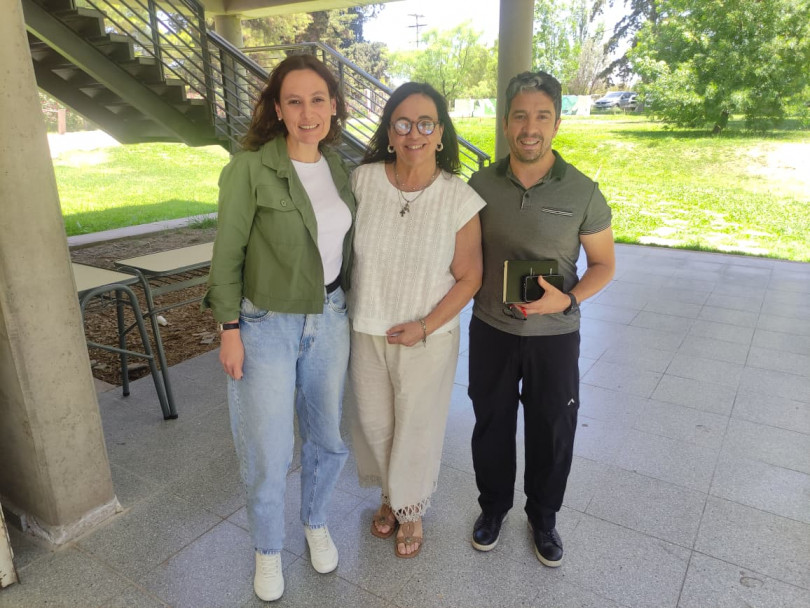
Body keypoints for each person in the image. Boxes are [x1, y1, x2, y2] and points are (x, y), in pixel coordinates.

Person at [202, 54, 355, 602]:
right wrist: (228, 327)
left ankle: (315, 521)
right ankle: (268, 550)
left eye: (318, 99)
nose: (307, 112)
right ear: (276, 107)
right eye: (294, 100)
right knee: (267, 450)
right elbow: (227, 253)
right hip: (265, 324)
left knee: (327, 437)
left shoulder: (338, 167)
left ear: (334, 107)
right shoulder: (248, 168)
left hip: (331, 318)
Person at [467, 71, 615, 567]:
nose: (530, 127)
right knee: (491, 423)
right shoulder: (481, 184)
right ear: (506, 123)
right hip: (491, 328)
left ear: (556, 122)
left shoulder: (583, 191)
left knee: (553, 426)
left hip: (555, 337)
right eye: (520, 116)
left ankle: (544, 517)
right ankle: (493, 509)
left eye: (542, 117)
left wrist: (568, 301)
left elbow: (604, 265)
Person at [348, 82, 484, 558]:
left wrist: (424, 324)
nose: (414, 134)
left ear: (441, 133)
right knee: (374, 422)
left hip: (429, 335)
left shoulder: (459, 198)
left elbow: (469, 278)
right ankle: (388, 495)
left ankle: (410, 509)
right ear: (389, 130)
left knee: (417, 425)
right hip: (366, 326)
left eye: (426, 124)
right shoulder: (362, 182)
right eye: (403, 123)